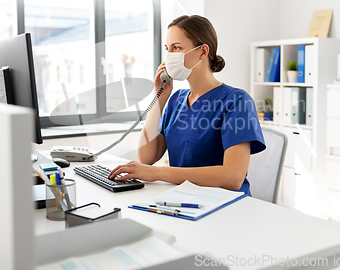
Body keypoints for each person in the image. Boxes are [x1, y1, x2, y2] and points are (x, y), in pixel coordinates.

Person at [108, 15, 266, 194]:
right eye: (168, 49)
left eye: (176, 48)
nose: (169, 56)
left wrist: (159, 173)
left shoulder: (237, 101)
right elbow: (145, 158)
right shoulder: (176, 100)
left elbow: (233, 177)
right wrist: (159, 100)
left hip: (226, 206)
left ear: (203, 51)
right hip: (184, 200)